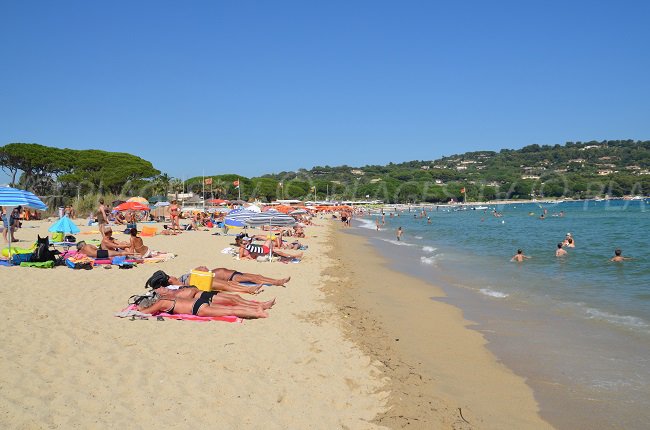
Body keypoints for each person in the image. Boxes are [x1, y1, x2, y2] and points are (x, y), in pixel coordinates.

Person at [144, 273, 276, 312]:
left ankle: (260, 304)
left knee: (234, 297)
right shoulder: (168, 293)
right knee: (232, 302)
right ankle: (259, 307)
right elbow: (187, 295)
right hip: (200, 298)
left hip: (202, 293)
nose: (172, 276)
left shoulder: (173, 288)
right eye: (169, 277)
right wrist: (192, 289)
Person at [134, 292, 269, 319]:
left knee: (230, 310)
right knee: (229, 307)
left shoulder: (161, 303)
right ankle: (256, 307)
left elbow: (147, 312)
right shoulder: (167, 297)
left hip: (197, 309)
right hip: (198, 302)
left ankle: (258, 313)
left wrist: (140, 308)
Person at [147, 269, 267, 295]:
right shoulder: (174, 283)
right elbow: (186, 287)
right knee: (226, 286)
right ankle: (248, 289)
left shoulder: (174, 280)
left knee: (227, 285)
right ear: (167, 279)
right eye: (168, 275)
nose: (171, 275)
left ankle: (248, 289)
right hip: (199, 282)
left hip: (199, 278)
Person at [239, 237, 303, 261]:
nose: (246, 244)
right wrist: (247, 257)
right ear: (241, 244)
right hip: (261, 254)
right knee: (279, 253)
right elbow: (240, 257)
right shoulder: (241, 249)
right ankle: (295, 256)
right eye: (244, 244)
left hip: (261, 251)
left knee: (269, 241)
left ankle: (295, 256)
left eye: (246, 243)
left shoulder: (248, 246)